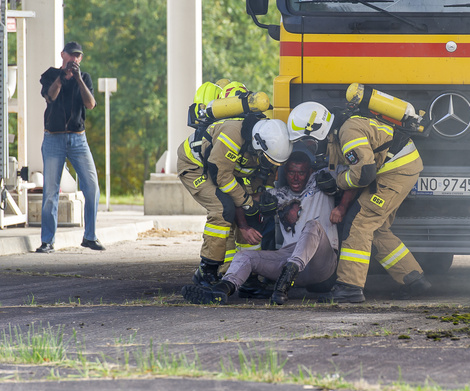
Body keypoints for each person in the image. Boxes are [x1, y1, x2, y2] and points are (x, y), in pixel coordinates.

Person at [287, 101, 432, 303]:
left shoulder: (348, 132)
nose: (309, 146)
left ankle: (349, 287)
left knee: (359, 224)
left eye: (308, 141)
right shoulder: (338, 131)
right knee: (377, 228)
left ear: (317, 131)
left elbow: (363, 174)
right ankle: (413, 279)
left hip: (396, 171)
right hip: (398, 168)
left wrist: (337, 182)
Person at [181, 151, 354, 305]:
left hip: (321, 261)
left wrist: (342, 207)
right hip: (289, 258)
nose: (296, 178)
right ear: (285, 172)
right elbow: (240, 199)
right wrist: (243, 226)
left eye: (301, 173)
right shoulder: (276, 195)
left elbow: (355, 177)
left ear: (309, 172)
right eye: (292, 172)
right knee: (245, 256)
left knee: (312, 226)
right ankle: (221, 291)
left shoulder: (321, 179)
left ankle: (285, 280)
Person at [177, 113, 291, 286]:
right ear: (257, 145)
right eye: (267, 160)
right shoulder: (232, 134)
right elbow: (222, 177)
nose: (269, 164)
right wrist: (247, 205)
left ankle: (248, 277)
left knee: (254, 212)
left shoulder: (265, 147)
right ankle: (206, 270)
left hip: (227, 172)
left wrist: (264, 197)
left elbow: (263, 178)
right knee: (223, 209)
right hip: (196, 166)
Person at [35, 41, 104, 253]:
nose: (74, 59)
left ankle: (89, 236)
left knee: (92, 187)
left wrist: (78, 80)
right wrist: (62, 77)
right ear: (62, 54)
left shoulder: (84, 78)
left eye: (77, 56)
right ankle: (47, 241)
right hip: (53, 138)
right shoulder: (50, 75)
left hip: (78, 139)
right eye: (70, 55)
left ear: (80, 59)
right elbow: (51, 96)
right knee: (51, 192)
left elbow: (91, 104)